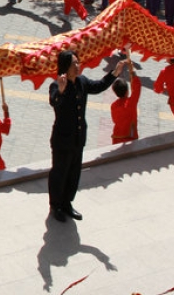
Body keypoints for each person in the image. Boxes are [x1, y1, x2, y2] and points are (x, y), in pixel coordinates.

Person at [48, 50, 116, 223]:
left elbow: (98, 86)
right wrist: (61, 92)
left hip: (78, 138)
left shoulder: (82, 82)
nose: (77, 66)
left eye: (78, 63)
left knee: (74, 172)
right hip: (62, 139)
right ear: (65, 67)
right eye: (73, 64)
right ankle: (56, 205)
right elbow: (54, 103)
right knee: (60, 172)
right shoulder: (56, 85)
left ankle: (67, 203)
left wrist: (114, 74)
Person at [109, 55, 140, 144]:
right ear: (127, 91)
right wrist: (132, 71)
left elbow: (114, 120)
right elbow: (137, 87)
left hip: (117, 137)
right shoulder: (131, 102)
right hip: (130, 137)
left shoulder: (113, 105)